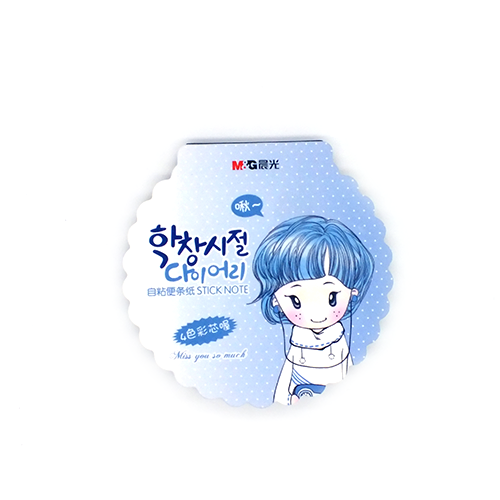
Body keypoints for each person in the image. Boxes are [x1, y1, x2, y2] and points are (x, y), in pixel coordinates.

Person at [252, 215, 374, 405]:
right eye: (296, 301)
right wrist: (284, 403)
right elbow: (285, 383)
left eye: (332, 298)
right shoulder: (297, 343)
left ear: (352, 292)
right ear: (275, 299)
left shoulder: (339, 341)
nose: (317, 315)